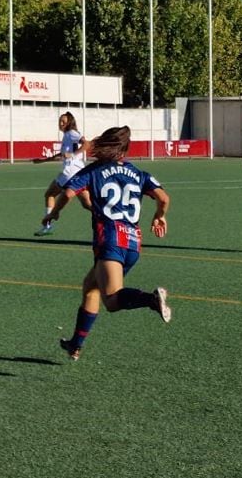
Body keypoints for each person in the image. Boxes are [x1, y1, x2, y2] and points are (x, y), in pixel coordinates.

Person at [41, 125, 170, 362]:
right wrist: (159, 215)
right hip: (133, 242)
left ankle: (150, 299)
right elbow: (163, 197)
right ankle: (75, 345)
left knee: (111, 300)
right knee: (91, 287)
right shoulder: (139, 173)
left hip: (110, 238)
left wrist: (54, 213)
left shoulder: (95, 170)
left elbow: (68, 193)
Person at [33, 112, 86, 236]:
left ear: (70, 122)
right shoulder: (66, 136)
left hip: (70, 172)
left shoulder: (72, 133)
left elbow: (87, 143)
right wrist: (43, 160)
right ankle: (110, 221)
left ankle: (47, 225)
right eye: (60, 121)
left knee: (50, 194)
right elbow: (61, 155)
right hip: (76, 173)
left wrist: (73, 154)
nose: (61, 123)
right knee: (87, 204)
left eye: (64, 121)